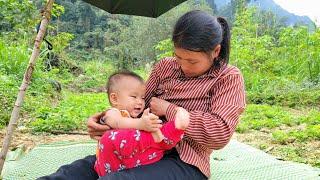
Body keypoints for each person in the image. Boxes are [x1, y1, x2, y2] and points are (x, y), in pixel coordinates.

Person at [39, 10, 246, 180]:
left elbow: (219, 133)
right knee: (73, 173)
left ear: (216, 51)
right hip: (137, 147)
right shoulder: (165, 66)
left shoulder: (228, 77)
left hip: (184, 160)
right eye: (178, 57)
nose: (182, 66)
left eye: (192, 61)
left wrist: (169, 110)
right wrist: (107, 119)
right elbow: (137, 107)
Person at [94, 71, 190, 176]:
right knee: (111, 136)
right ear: (114, 98)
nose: (140, 102)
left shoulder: (136, 118)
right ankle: (162, 135)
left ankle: (177, 128)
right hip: (111, 165)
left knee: (156, 142)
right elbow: (118, 122)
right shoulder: (112, 113)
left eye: (143, 98)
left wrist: (150, 124)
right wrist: (141, 124)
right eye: (134, 97)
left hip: (131, 164)